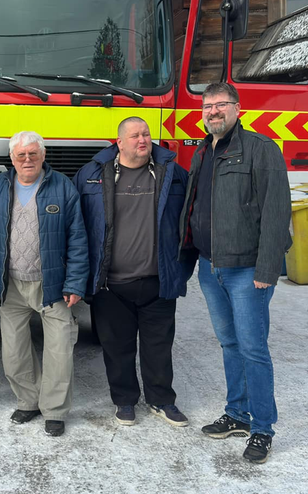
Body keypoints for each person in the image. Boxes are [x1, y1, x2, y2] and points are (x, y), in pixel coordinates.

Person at [178, 82, 291, 464]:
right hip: (212, 268)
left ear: (238, 108)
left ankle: (262, 429)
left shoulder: (261, 151)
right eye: (207, 106)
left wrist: (267, 269)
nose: (213, 112)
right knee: (229, 345)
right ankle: (237, 413)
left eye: (220, 105)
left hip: (247, 272)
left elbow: (277, 214)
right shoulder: (203, 152)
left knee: (254, 349)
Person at [74, 117, 195, 428]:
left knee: (159, 347)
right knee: (117, 348)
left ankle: (162, 400)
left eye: (146, 134)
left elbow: (191, 222)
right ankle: (124, 400)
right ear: (119, 142)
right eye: (135, 135)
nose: (143, 140)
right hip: (111, 285)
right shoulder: (90, 175)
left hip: (159, 281)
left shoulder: (174, 175)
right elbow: (78, 227)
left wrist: (182, 269)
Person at [0, 131, 88, 437]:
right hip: (11, 284)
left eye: (33, 154)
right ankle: (28, 401)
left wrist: (75, 283)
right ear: (11, 159)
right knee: (14, 351)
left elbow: (78, 239)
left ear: (43, 156)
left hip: (51, 284)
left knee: (59, 351)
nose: (27, 159)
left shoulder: (62, 187)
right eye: (20, 155)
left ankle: (54, 410)